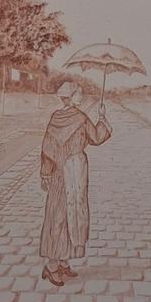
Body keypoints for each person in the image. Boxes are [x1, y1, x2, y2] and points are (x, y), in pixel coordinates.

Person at [39, 79, 111, 287]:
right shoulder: (80, 117)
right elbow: (96, 137)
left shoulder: (57, 117)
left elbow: (47, 151)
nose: (81, 96)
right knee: (61, 217)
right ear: (70, 97)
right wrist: (102, 118)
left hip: (64, 173)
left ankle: (63, 261)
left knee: (67, 215)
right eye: (79, 93)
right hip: (68, 173)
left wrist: (45, 174)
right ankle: (51, 266)